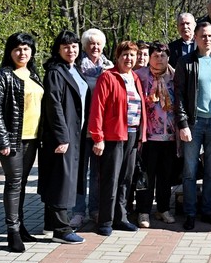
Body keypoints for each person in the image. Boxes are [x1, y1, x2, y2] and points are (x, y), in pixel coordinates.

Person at [0, 32, 44, 253]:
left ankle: (21, 226)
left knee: (21, 183)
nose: (22, 52)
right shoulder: (3, 75)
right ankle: (13, 232)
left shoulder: (33, 74)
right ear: (10, 51)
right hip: (12, 140)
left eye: (27, 48)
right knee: (14, 183)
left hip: (32, 138)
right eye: (18, 48)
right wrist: (2, 140)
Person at [88, 41, 147, 236]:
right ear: (118, 57)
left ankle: (120, 217)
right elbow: (98, 109)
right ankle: (105, 220)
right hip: (113, 135)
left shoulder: (135, 78)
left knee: (126, 179)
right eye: (125, 55)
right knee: (110, 179)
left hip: (132, 134)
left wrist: (141, 135)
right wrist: (98, 137)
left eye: (132, 55)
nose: (129, 59)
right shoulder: (108, 77)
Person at [174, 21, 211, 230]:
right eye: (203, 35)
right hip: (193, 123)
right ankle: (190, 212)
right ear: (195, 38)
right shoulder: (186, 61)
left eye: (210, 35)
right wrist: (183, 123)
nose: (207, 39)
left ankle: (207, 210)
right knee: (189, 171)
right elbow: (178, 95)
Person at [38, 30, 89, 245]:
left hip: (76, 134)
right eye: (66, 46)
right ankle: (61, 229)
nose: (71, 50)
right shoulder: (55, 72)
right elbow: (54, 106)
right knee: (61, 180)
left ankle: (50, 224)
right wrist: (62, 137)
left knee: (63, 178)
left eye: (75, 45)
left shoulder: (74, 69)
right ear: (58, 49)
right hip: (63, 136)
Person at [71, 28, 114, 229]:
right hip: (81, 128)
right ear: (85, 46)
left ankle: (95, 209)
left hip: (102, 130)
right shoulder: (76, 67)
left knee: (97, 173)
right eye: (91, 44)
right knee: (80, 172)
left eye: (98, 44)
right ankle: (78, 211)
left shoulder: (110, 67)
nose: (95, 47)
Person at [134, 42, 177, 228]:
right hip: (149, 135)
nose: (159, 59)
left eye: (163, 56)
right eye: (155, 56)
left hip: (170, 135)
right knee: (146, 175)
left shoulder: (174, 76)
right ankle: (143, 211)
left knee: (166, 176)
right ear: (149, 58)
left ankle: (163, 208)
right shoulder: (140, 76)